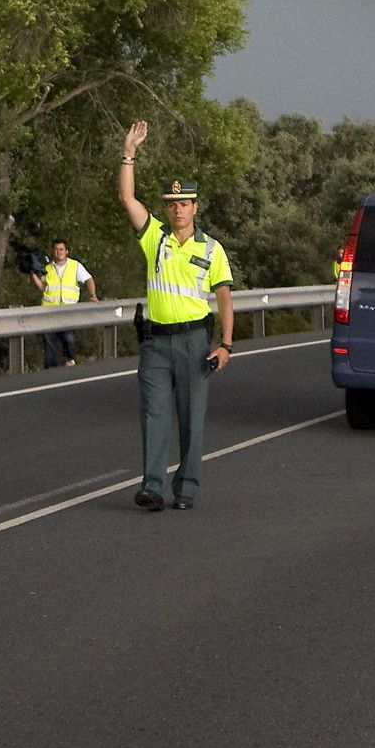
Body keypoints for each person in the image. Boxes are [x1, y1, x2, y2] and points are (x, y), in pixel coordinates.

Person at [118, 119, 235, 512]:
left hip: (193, 343)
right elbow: (128, 199)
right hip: (156, 343)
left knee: (190, 419)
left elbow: (224, 299)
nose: (177, 209)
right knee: (153, 415)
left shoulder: (212, 249)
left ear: (195, 206)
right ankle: (152, 487)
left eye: (183, 203)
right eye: (171, 203)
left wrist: (225, 345)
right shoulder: (155, 237)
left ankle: (185, 488)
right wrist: (129, 154)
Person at [31, 238, 99, 367]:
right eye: (56, 249)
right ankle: (51, 371)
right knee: (49, 341)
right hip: (49, 310)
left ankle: (69, 358)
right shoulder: (48, 268)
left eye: (61, 249)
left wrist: (93, 295)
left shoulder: (75, 266)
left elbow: (89, 280)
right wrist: (34, 274)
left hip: (68, 310)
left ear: (66, 251)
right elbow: (43, 287)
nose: (59, 252)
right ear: (53, 251)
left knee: (69, 339)